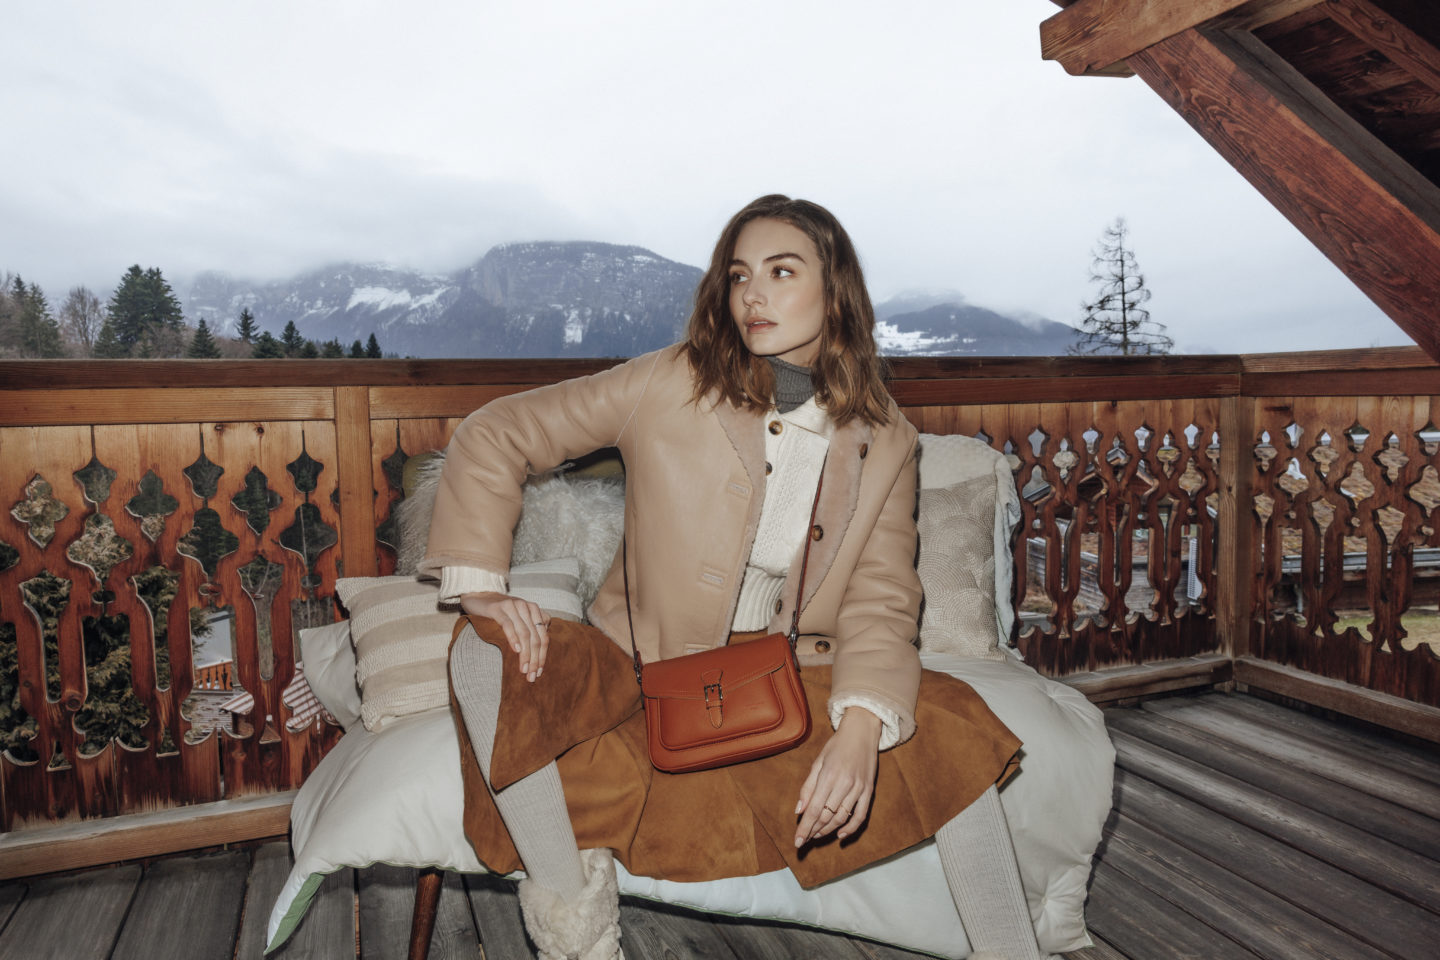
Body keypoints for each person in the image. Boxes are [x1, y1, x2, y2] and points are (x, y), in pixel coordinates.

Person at [421, 195, 1043, 960]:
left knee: (956, 731)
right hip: (635, 664)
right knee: (484, 656)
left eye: (782, 272)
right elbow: (499, 431)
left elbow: (882, 598)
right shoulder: (670, 383)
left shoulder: (884, 439)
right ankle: (582, 949)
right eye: (740, 275)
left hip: (789, 672)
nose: (753, 294)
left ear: (834, 288)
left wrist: (859, 728)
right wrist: (482, 584)